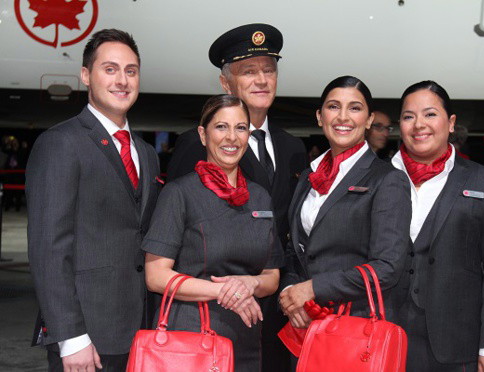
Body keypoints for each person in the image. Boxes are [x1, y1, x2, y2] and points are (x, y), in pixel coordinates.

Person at [166, 23, 307, 371]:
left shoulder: (293, 147)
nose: (262, 80)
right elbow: (177, 235)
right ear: (226, 82)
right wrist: (222, 290)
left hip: (278, 308)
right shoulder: (196, 145)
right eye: (248, 71)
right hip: (214, 312)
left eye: (269, 70)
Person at [26, 29, 161, 372]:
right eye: (110, 69)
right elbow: (49, 248)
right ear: (86, 75)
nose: (122, 80)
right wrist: (70, 337)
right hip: (86, 338)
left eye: (131, 71)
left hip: (140, 332)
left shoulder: (146, 154)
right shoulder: (61, 143)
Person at [143, 94, 284, 371]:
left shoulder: (260, 197)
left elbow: (271, 276)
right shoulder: (179, 193)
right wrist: (223, 291)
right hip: (191, 338)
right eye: (221, 127)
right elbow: (156, 276)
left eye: (240, 128)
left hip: (244, 337)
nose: (231, 137)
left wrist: (250, 285)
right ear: (203, 135)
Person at [392, 80, 484, 371]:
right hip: (386, 334)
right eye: (409, 116)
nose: (419, 124)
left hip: (455, 343)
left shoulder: (483, 181)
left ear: (451, 123)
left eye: (430, 114)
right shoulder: (381, 176)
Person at [279, 76, 411, 338]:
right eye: (333, 107)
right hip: (305, 325)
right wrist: (290, 292)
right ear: (319, 116)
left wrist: (314, 288)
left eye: (355, 108)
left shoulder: (386, 179)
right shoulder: (308, 177)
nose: (343, 117)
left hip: (356, 329)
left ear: (369, 120)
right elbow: (295, 250)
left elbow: (387, 267)